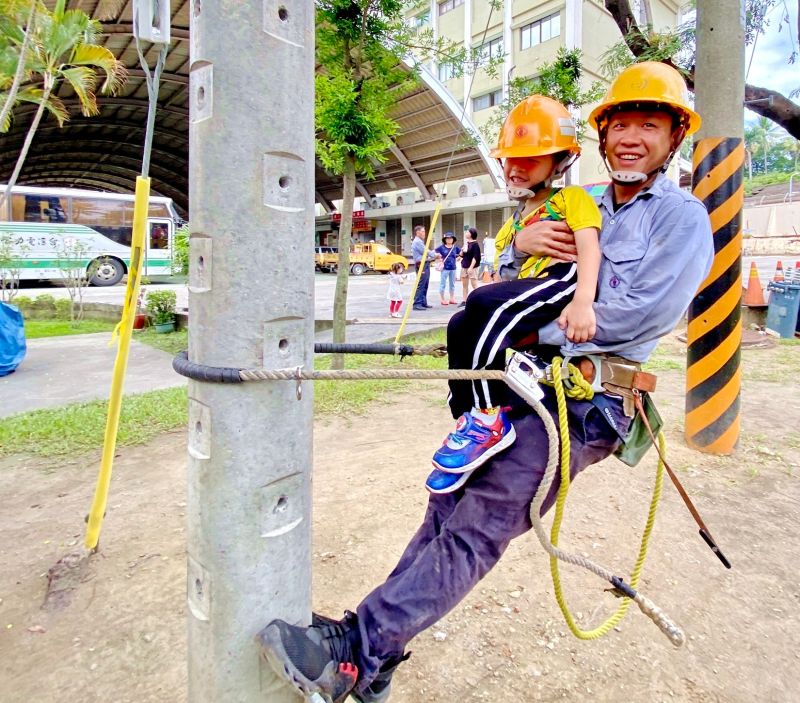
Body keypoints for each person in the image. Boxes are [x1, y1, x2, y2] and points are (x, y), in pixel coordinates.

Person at [258, 62, 714, 703]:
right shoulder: (574, 203)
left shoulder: (681, 219)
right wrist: (518, 242)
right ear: (604, 133)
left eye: (651, 125)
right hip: (520, 386)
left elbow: (642, 312)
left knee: (482, 520)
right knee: (444, 509)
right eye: (622, 124)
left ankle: (356, 654)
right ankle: (378, 658)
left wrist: (525, 328)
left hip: (590, 401)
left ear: (673, 139)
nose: (632, 137)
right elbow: (510, 277)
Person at [428, 95, 603, 487]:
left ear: (559, 163)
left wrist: (583, 302)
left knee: (480, 301)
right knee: (459, 323)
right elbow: (505, 273)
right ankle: (466, 413)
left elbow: (590, 248)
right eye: (510, 159)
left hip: (562, 280)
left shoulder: (572, 199)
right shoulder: (514, 224)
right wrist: (520, 244)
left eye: (530, 159)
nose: (516, 169)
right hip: (530, 288)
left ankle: (489, 417)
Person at [411, 224, 434, 311]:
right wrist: (435, 255)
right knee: (421, 284)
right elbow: (425, 251)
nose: (425, 233)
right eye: (423, 231)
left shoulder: (420, 242)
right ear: (417, 232)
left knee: (425, 284)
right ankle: (417, 303)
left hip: (425, 263)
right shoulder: (417, 242)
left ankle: (423, 302)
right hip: (421, 264)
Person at [434, 232, 460, 305]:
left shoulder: (455, 247)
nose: (449, 240)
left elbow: (462, 253)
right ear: (445, 239)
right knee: (443, 284)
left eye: (451, 238)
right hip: (444, 268)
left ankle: (452, 298)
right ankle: (442, 299)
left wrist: (459, 258)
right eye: (447, 238)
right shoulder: (441, 247)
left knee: (452, 284)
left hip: (453, 268)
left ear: (453, 239)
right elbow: (434, 253)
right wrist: (439, 258)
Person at [458, 227, 482, 307]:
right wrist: (462, 250)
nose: (466, 233)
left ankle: (480, 299)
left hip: (472, 267)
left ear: (472, 234)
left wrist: (471, 268)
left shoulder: (475, 244)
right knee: (465, 285)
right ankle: (464, 300)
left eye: (467, 232)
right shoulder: (467, 243)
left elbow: (476, 257)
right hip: (464, 265)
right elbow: (461, 255)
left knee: (474, 284)